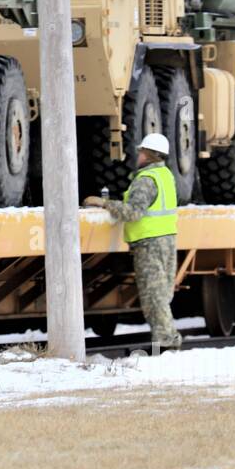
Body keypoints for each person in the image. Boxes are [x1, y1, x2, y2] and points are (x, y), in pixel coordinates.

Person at [85, 133, 182, 350]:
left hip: (149, 245)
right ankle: (167, 342)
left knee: (154, 298)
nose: (138, 154)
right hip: (166, 241)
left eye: (141, 151)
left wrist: (104, 203)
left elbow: (133, 213)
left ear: (149, 155)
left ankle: (168, 343)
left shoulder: (145, 180)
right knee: (162, 295)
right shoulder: (165, 175)